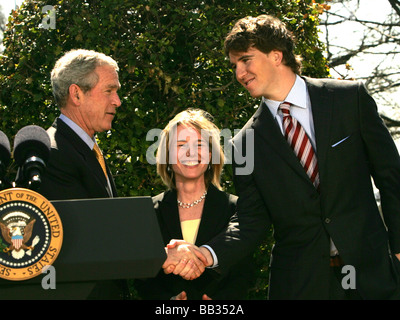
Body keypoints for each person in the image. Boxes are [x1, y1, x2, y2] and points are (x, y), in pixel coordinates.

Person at [166, 15, 400, 300]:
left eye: (246, 60)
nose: (239, 73)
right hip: (300, 285)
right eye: (235, 65)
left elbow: (392, 178)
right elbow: (250, 220)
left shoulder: (350, 99)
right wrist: (206, 253)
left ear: (276, 55)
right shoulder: (244, 143)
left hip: (373, 275)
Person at [135, 109, 254, 300]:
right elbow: (143, 278)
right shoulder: (149, 211)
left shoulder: (236, 209)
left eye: (199, 144)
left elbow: (244, 274)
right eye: (181, 145)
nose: (190, 152)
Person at [38, 49, 129, 299]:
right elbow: (85, 239)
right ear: (76, 94)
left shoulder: (86, 148)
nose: (117, 101)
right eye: (109, 90)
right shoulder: (54, 153)